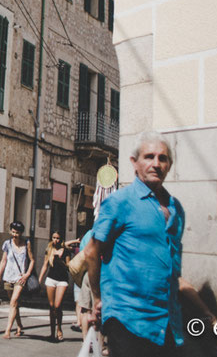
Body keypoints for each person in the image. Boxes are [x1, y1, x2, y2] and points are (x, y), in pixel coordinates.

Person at [85, 130, 186, 357]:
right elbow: (92, 252)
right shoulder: (119, 202)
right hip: (127, 317)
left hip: (167, 321)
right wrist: (99, 299)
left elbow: (173, 266)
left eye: (163, 158)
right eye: (149, 157)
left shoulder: (176, 208)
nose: (156, 164)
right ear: (134, 162)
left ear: (170, 164)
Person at [0, 220, 34, 339]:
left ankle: (8, 330)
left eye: (17, 232)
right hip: (8, 277)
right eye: (13, 232)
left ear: (21, 233)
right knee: (14, 304)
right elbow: (3, 260)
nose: (15, 234)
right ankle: (20, 325)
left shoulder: (27, 243)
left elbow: (32, 260)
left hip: (20, 278)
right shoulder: (7, 244)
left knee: (13, 302)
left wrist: (27, 274)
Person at [37, 230, 71, 342]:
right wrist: (40, 279)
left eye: (57, 238)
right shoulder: (49, 249)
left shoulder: (66, 251)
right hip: (51, 279)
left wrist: (60, 259)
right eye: (54, 237)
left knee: (57, 306)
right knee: (51, 307)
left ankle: (59, 328)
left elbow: (68, 267)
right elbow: (45, 265)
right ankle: (52, 332)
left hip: (62, 280)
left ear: (61, 239)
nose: (55, 240)